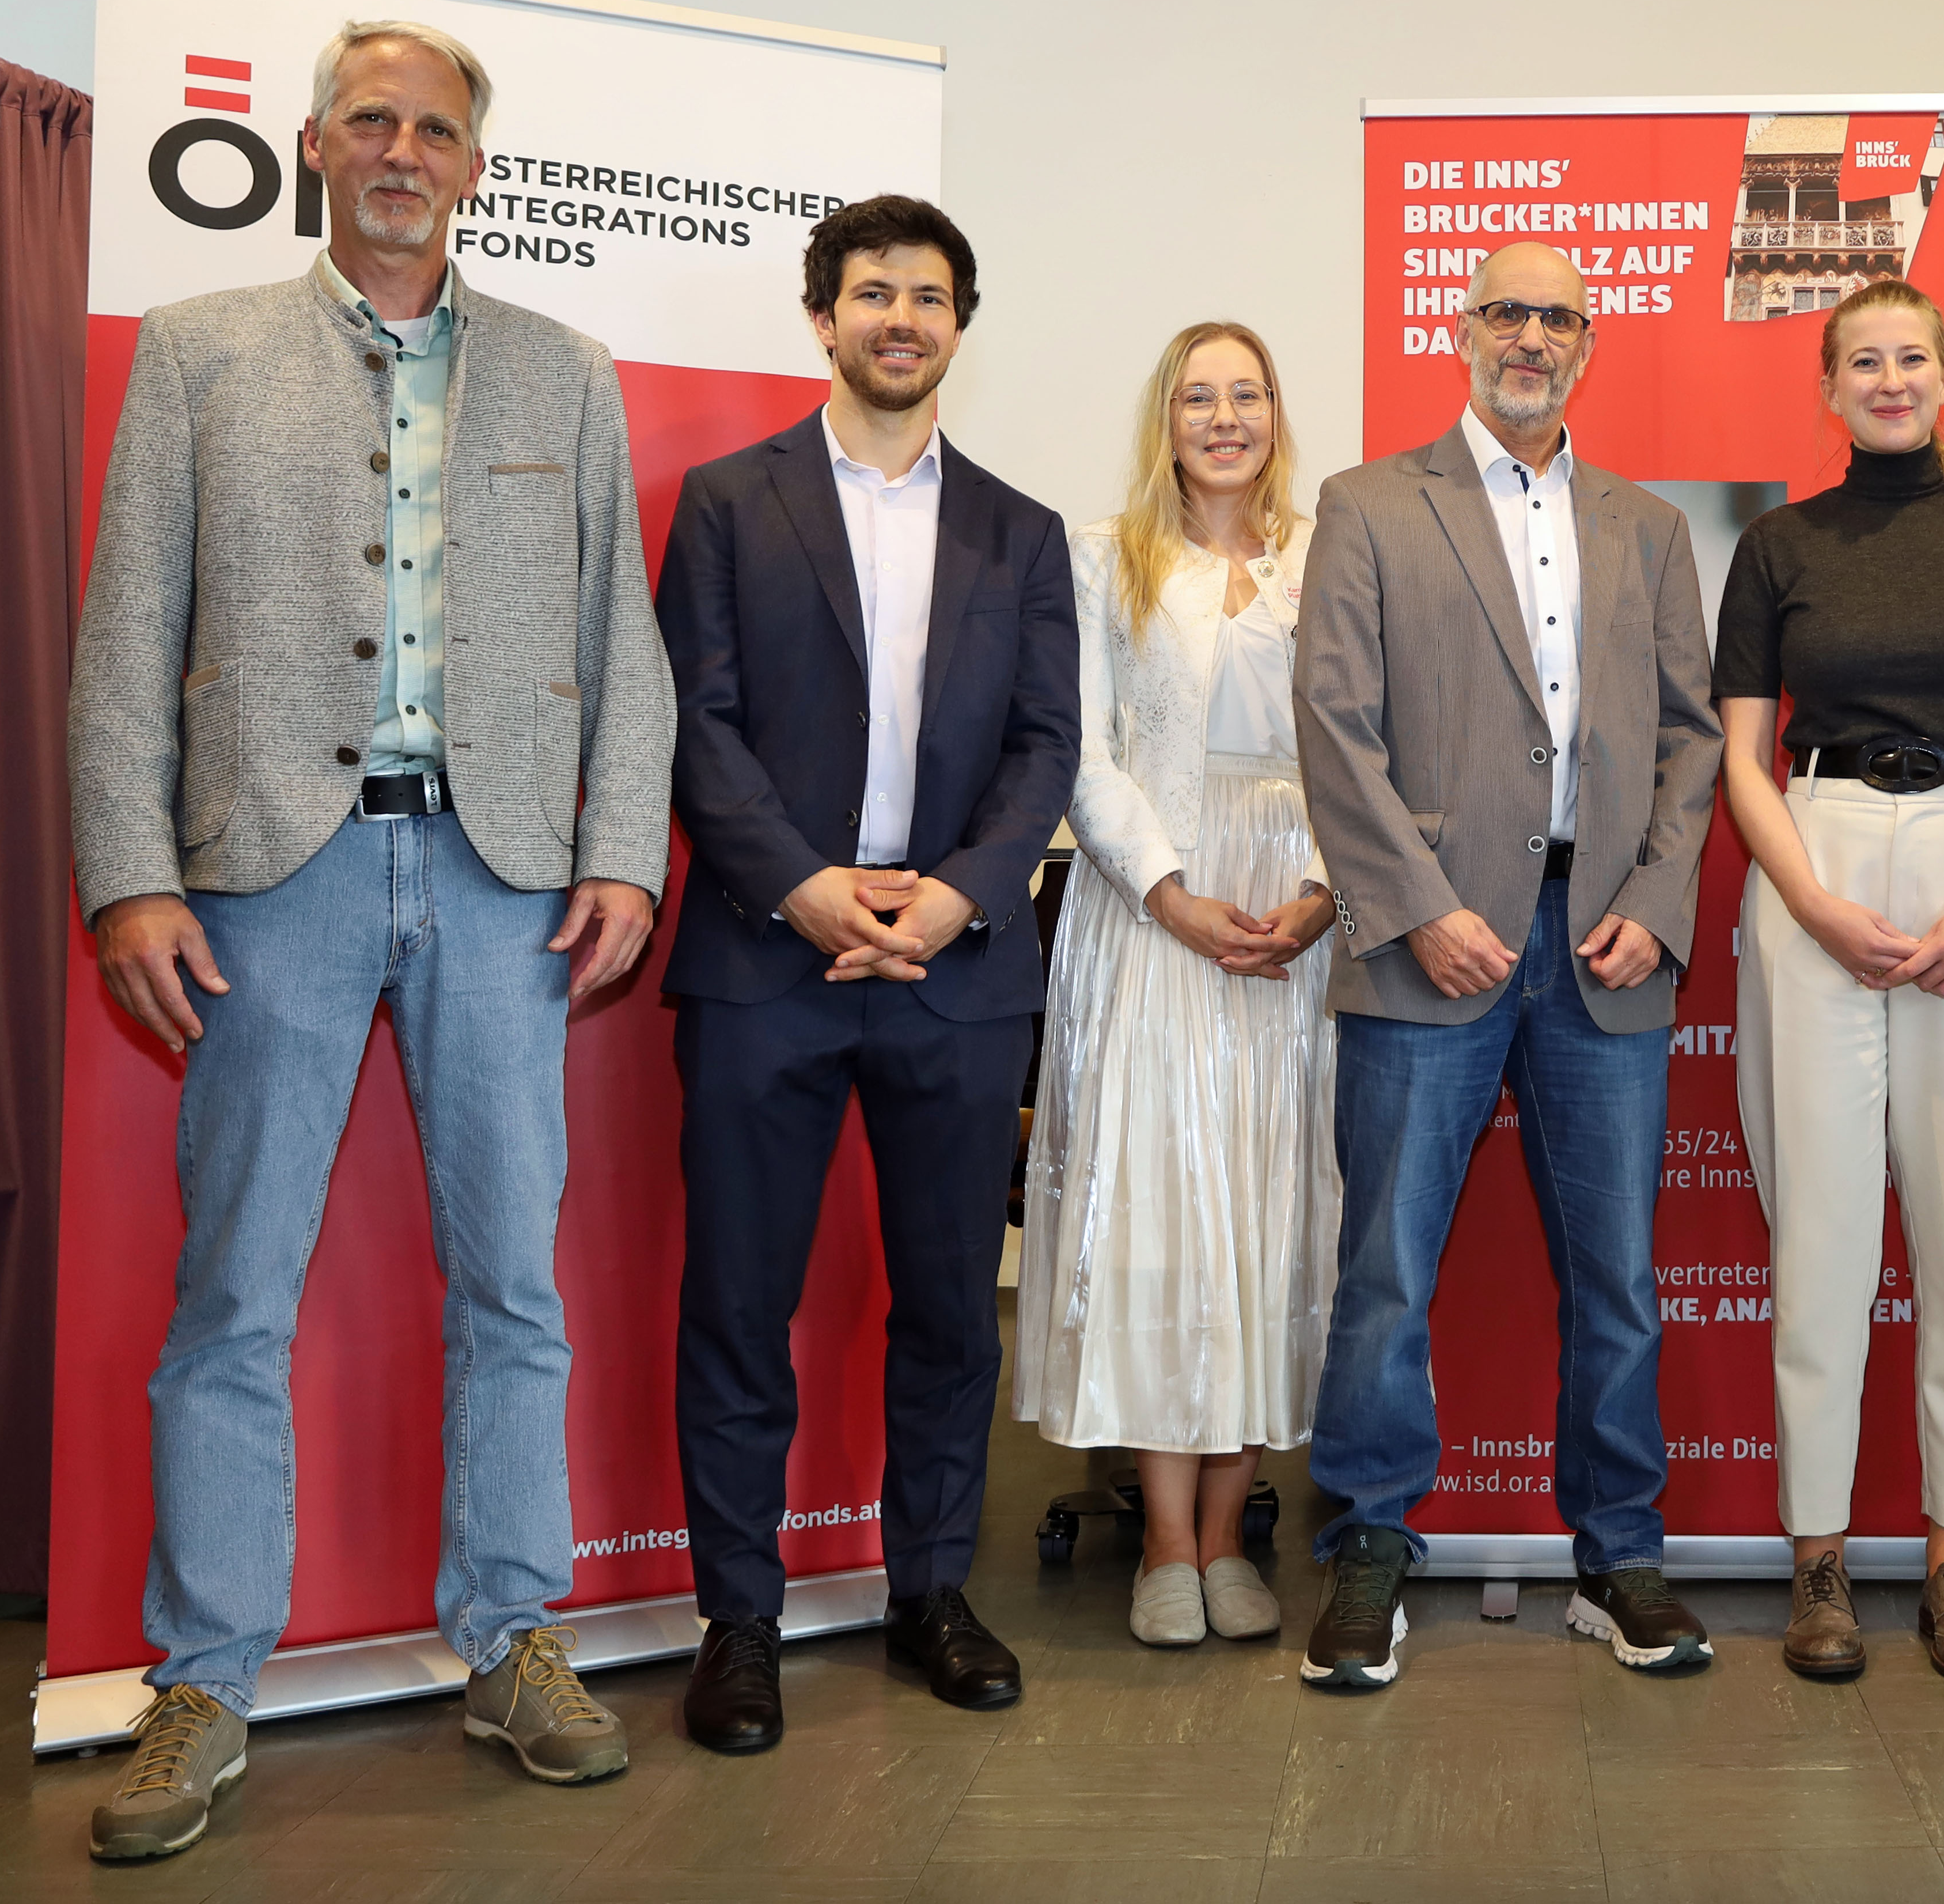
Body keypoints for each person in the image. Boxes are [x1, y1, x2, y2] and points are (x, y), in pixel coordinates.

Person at [68, 19, 673, 1858]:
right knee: (235, 1289)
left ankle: (511, 1635)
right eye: (374, 122)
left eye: (438, 129)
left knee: (514, 1283)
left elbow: (617, 638)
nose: (403, 151)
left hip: (502, 881)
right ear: (320, 147)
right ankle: (204, 1679)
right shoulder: (199, 356)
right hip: (271, 876)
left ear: (475, 168)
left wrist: (626, 851)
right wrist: (129, 872)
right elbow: (123, 635)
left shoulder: (569, 378)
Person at [654, 195, 1081, 1753]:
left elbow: (1048, 749)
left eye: (932, 297)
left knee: (955, 1313)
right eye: (874, 293)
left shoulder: (1023, 533)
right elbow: (693, 723)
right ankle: (740, 1622)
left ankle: (930, 1593)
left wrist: (958, 902)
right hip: (768, 964)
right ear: (822, 315)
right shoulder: (724, 502)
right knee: (739, 1308)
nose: (904, 318)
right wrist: (811, 890)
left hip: (956, 981)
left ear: (962, 323)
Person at [1291, 240, 1724, 1689]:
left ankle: (1621, 1555)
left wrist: (1661, 904)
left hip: (1605, 945)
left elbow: (1690, 737)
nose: (1528, 336)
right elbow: (1335, 731)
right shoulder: (1365, 507)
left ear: (1587, 346)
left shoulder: (1649, 529)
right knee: (1387, 1272)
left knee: (1619, 1276)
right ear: (1461, 331)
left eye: (1556, 316)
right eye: (1504, 311)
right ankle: (1368, 1545)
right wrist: (1414, 905)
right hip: (1435, 947)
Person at [1716, 278, 1944, 1686]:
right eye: (1860, 361)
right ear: (1827, 386)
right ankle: (1818, 1567)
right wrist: (1806, 898)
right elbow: (1746, 756)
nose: (1887, 379)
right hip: (1819, 855)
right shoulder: (1777, 546)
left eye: (1909, 357)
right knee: (1819, 1242)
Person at [1018, 321, 1340, 1648]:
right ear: (1167, 416)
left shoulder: (1333, 557)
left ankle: (1229, 1533)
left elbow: (1366, 743)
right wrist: (1166, 890)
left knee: (1264, 1216)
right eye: (1198, 397)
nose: (1223, 418)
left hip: (1292, 914)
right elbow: (1077, 751)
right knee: (1157, 1220)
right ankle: (1162, 1544)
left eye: (1245, 394)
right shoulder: (1101, 558)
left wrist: (1322, 890)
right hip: (1148, 910)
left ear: (1276, 412)